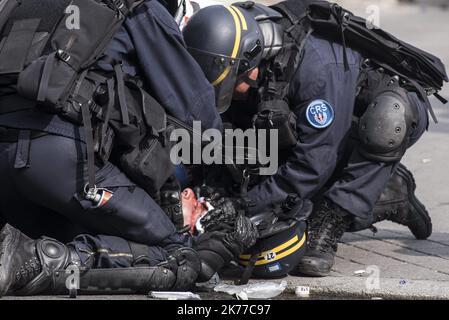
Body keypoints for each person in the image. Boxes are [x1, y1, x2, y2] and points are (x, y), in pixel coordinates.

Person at [0, 0, 258, 294]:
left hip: (9, 172)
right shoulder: (136, 7)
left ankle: (23, 254)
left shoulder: (21, 4)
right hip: (58, 160)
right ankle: (37, 262)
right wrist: (228, 172)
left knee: (85, 235)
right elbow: (195, 111)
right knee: (179, 256)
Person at [182, 1, 445, 277]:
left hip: (372, 117)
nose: (231, 92)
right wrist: (214, 189)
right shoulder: (232, 43)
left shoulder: (315, 68)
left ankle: (334, 220)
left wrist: (242, 204)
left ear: (252, 60)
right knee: (286, 208)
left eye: (232, 84)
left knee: (386, 123)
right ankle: (384, 191)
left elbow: (312, 164)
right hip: (317, 133)